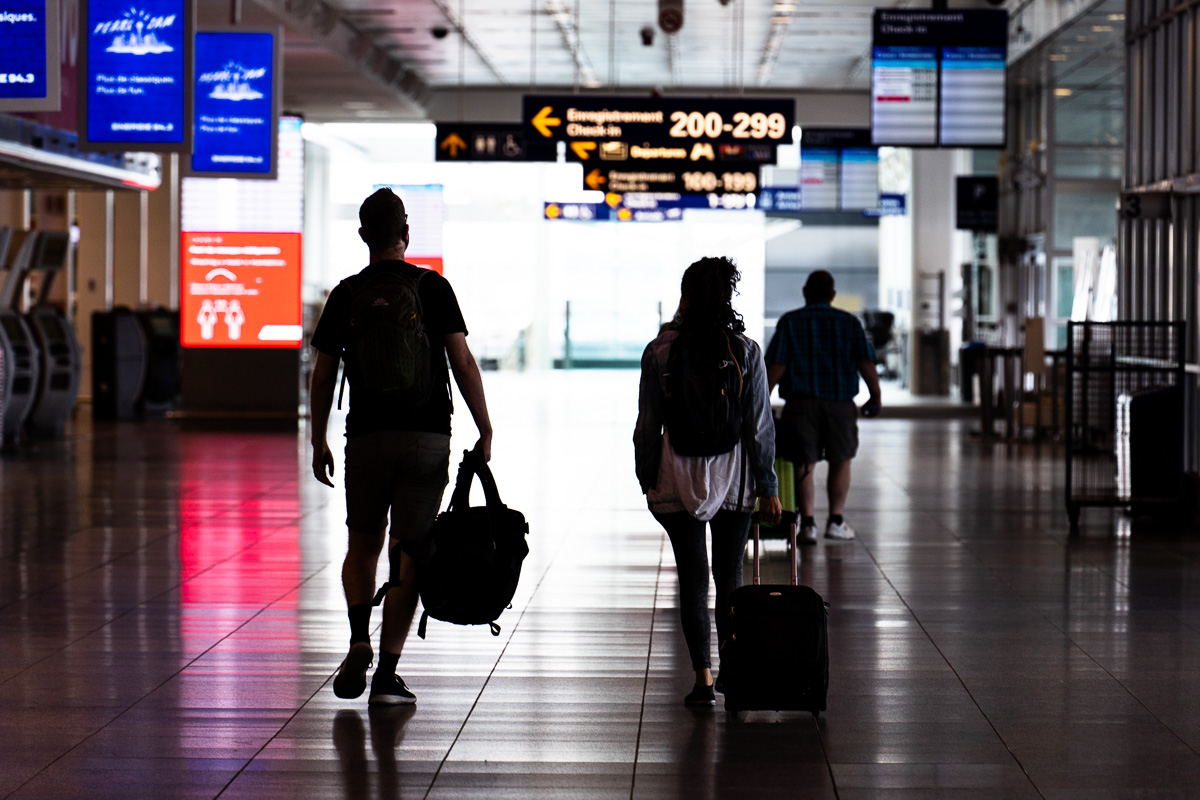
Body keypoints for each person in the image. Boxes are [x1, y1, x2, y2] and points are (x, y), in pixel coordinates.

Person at [309, 187, 493, 706]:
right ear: (405, 234)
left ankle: (357, 638)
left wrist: (317, 436)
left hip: (366, 437)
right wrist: (485, 426)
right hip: (427, 438)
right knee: (409, 552)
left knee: (362, 543)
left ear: (365, 235)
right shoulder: (434, 288)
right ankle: (388, 672)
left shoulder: (345, 295)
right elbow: (461, 362)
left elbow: (323, 377)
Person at [633, 256, 783, 708]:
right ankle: (734, 676)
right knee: (729, 577)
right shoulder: (745, 350)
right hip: (734, 480)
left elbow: (647, 425)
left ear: (685, 296)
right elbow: (760, 427)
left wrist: (647, 476)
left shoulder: (659, 351)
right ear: (727, 297)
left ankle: (702, 677)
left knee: (693, 578)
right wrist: (769, 487)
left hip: (676, 477)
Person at [765, 270, 881, 544]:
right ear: (832, 295)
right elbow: (866, 363)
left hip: (800, 404)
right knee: (841, 459)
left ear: (806, 292)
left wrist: (761, 400)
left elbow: (777, 366)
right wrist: (876, 395)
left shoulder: (791, 322)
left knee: (804, 462)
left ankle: (807, 525)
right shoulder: (849, 323)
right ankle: (836, 520)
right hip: (840, 404)